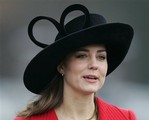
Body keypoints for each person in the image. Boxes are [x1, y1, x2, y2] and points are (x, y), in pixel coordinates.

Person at [14, 4, 137, 120]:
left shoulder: (125, 117)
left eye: (101, 57)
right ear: (61, 66)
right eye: (82, 56)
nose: (94, 65)